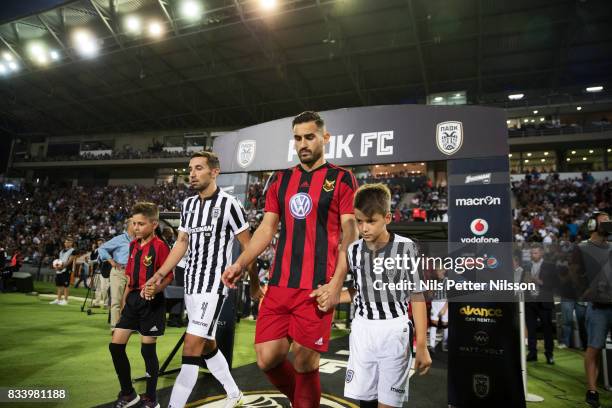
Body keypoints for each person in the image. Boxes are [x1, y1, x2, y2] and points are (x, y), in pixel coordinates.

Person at [222, 111, 359, 407]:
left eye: (310, 137)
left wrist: (336, 285)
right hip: (280, 285)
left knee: (305, 362)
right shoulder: (281, 179)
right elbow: (266, 229)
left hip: (317, 287)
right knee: (267, 358)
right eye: (298, 138)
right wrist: (240, 263)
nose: (303, 144)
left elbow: (350, 232)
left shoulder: (342, 178)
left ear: (325, 138)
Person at [144, 151, 257, 408]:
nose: (191, 174)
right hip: (192, 286)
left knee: (191, 345)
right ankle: (234, 393)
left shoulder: (230, 205)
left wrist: (255, 283)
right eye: (190, 168)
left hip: (213, 287)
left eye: (198, 168)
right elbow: (181, 243)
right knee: (206, 346)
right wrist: (160, 274)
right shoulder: (188, 205)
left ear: (214, 172)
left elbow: (249, 247)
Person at [335, 183, 431, 407]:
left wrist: (422, 345)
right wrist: (332, 296)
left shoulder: (406, 248)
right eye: (359, 221)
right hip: (362, 330)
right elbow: (360, 289)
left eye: (371, 221)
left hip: (394, 331)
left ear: (387, 218)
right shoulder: (354, 250)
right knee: (365, 403)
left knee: (388, 404)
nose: (364, 228)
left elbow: (416, 296)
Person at [109, 202, 172, 408]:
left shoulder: (161, 247)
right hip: (133, 301)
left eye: (141, 224)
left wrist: (157, 288)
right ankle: (128, 393)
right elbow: (129, 278)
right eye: (133, 223)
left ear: (154, 224)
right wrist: (125, 302)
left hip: (152, 302)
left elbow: (169, 276)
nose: (136, 227)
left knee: (147, 350)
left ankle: (151, 398)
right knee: (115, 346)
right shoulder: (133, 245)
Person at [572, 212, 612, 408]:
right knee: (593, 348)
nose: (608, 223)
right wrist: (583, 292)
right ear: (592, 224)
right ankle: (592, 390)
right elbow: (574, 274)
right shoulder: (582, 248)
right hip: (597, 307)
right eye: (604, 221)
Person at [522, 244, 557, 364]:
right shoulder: (526, 266)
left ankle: (549, 354)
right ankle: (532, 353)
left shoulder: (550, 266)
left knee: (547, 329)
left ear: (541, 253)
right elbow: (522, 283)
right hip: (530, 302)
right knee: (531, 329)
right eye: (532, 253)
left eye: (535, 253)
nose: (533, 255)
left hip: (544, 302)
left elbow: (553, 284)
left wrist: (538, 281)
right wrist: (525, 282)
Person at [99, 219, 135, 330]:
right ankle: (115, 326)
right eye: (135, 223)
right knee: (116, 300)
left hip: (134, 273)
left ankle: (128, 325)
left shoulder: (141, 239)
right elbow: (102, 249)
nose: (137, 226)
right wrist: (111, 261)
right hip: (119, 271)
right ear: (129, 226)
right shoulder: (119, 239)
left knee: (132, 301)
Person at [49, 237, 76, 305]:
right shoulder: (61, 251)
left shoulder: (73, 250)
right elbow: (59, 260)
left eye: (69, 242)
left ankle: (65, 300)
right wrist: (56, 267)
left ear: (71, 243)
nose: (67, 243)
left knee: (66, 285)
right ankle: (58, 299)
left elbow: (70, 260)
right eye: (66, 242)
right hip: (60, 269)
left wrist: (62, 267)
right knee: (59, 285)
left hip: (67, 270)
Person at [428, 268, 448, 353]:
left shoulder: (447, 281)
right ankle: (432, 345)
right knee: (433, 324)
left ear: (444, 271)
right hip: (435, 302)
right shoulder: (434, 281)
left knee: (445, 325)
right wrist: (431, 290)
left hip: (444, 302)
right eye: (436, 270)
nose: (437, 272)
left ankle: (445, 344)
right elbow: (430, 295)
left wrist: (444, 308)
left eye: (439, 270)